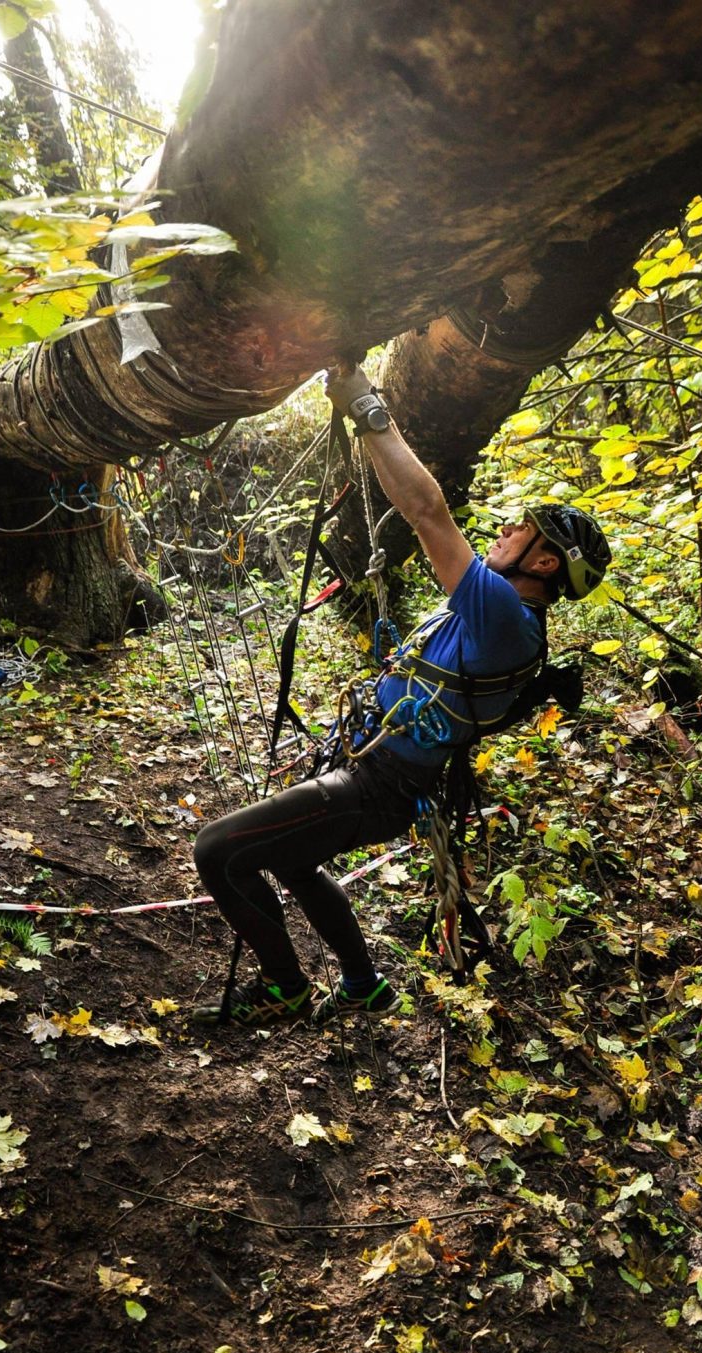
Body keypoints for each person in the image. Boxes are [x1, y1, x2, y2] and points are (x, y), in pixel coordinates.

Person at [192, 365, 611, 1028]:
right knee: (295, 862)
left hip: (380, 784)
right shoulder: (499, 616)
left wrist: (367, 407)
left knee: (215, 852)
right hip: (377, 770)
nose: (503, 532)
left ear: (544, 562)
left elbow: (425, 511)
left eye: (519, 530)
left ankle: (286, 990)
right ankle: (362, 985)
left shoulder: (504, 613)